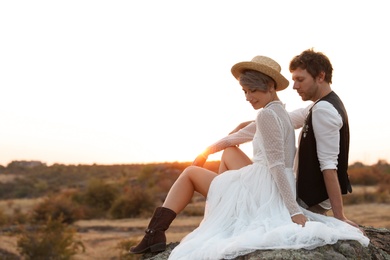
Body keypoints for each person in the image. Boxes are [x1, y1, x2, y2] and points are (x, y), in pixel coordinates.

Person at [129, 55, 369, 259]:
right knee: (228, 152)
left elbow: (276, 165)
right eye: (245, 91)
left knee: (191, 173)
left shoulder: (269, 115)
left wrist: (294, 211)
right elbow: (246, 133)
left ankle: (155, 233)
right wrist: (208, 150)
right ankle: (223, 203)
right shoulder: (280, 112)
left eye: (253, 90)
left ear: (271, 87)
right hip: (271, 181)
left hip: (268, 184)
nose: (248, 96)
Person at [226, 49, 358, 227]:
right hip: (307, 192)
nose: (295, 86)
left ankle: (224, 218)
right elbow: (282, 120)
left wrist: (340, 216)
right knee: (232, 167)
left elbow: (329, 166)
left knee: (227, 178)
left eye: (300, 80)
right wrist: (242, 126)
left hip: (310, 198)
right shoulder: (320, 106)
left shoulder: (323, 110)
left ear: (320, 76)